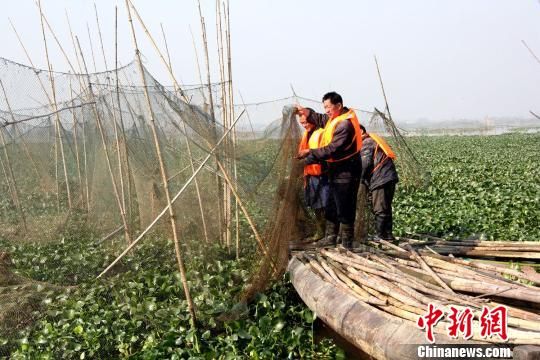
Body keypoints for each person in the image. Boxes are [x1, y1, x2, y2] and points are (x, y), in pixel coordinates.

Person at [296, 92, 362, 249]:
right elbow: (322, 119)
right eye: (324, 107)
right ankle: (330, 237)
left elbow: (332, 149)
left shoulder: (345, 124)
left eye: (328, 107)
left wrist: (309, 152)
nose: (326, 110)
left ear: (338, 106)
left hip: (347, 171)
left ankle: (347, 242)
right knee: (332, 205)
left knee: (345, 206)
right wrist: (307, 113)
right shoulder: (335, 119)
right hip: (335, 171)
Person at [359, 124, 399, 240]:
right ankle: (388, 235)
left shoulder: (366, 143)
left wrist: (359, 179)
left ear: (360, 131)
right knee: (385, 207)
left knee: (380, 208)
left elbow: (364, 165)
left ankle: (380, 236)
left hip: (381, 178)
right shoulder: (372, 140)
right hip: (388, 177)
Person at [297, 114, 328, 241]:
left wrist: (307, 154)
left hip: (323, 174)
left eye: (306, 122)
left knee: (326, 204)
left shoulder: (321, 133)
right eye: (302, 123)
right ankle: (320, 233)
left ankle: (330, 234)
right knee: (316, 205)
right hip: (311, 175)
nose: (304, 125)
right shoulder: (307, 134)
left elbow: (324, 151)